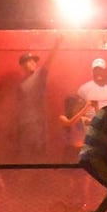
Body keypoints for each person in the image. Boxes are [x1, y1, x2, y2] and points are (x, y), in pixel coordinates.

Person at [16, 33, 62, 161]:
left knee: (38, 156)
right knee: (26, 156)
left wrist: (56, 45)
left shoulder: (39, 75)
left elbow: (49, 61)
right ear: (23, 65)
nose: (32, 63)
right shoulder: (21, 83)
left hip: (38, 125)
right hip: (25, 125)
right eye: (29, 61)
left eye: (33, 61)